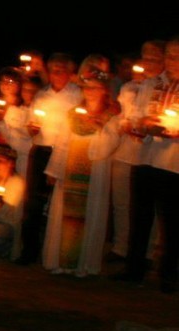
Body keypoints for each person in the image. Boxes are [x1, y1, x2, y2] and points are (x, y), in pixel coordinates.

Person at [41, 68, 120, 277]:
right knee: (64, 215)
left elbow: (110, 145)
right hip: (70, 170)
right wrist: (55, 170)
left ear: (104, 91)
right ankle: (61, 260)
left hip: (94, 171)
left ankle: (82, 265)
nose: (90, 92)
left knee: (90, 214)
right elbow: (62, 142)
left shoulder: (111, 116)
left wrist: (100, 128)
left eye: (95, 88)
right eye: (87, 88)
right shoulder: (73, 114)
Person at [115, 36, 179, 293]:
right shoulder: (152, 83)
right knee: (139, 216)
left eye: (178, 56)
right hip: (145, 157)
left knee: (172, 222)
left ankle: (168, 274)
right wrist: (141, 124)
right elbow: (137, 114)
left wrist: (172, 128)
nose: (173, 61)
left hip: (173, 163)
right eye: (170, 55)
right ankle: (134, 269)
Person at [16, 53, 82, 265]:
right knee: (33, 202)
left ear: (70, 72)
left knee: (61, 203)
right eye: (53, 70)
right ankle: (29, 250)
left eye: (61, 70)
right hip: (41, 150)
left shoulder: (77, 94)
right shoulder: (41, 95)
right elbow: (30, 123)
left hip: (66, 152)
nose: (56, 74)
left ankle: (58, 252)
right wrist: (31, 128)